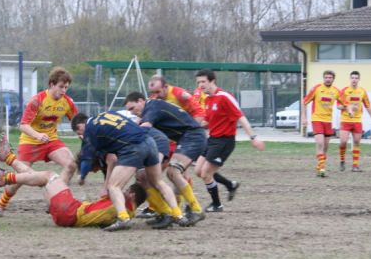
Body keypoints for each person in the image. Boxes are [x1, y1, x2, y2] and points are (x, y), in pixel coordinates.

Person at [0, 134, 146, 228]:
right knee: (42, 179)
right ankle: (8, 158)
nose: (121, 192)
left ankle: (6, 177)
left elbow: (108, 189)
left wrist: (111, 164)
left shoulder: (122, 206)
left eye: (125, 191)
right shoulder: (128, 213)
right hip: (67, 216)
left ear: (131, 194)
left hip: (71, 211)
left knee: (49, 175)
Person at [72, 111, 190, 231]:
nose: (81, 136)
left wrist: (82, 176)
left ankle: (123, 219)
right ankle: (178, 214)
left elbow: (86, 159)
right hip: (149, 142)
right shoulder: (108, 114)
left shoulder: (90, 129)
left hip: (133, 147)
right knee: (158, 182)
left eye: (79, 133)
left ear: (80, 125)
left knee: (113, 186)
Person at [0, 67, 78, 217]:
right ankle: (1, 203)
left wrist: (85, 135)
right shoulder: (37, 100)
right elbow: (23, 125)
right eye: (61, 87)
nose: (64, 90)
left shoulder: (67, 102)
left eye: (66, 87)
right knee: (20, 179)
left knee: (71, 164)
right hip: (30, 141)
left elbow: (77, 122)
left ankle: (54, 198)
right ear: (51, 84)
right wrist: (38, 135)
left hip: (51, 141)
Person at [124, 92, 207, 225]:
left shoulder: (152, 106)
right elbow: (137, 124)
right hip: (186, 138)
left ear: (141, 101)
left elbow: (144, 128)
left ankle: (195, 210)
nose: (132, 113)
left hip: (193, 137)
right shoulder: (152, 107)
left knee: (173, 172)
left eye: (132, 108)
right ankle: (169, 212)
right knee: (168, 175)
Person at [194, 68, 264, 212]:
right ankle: (230, 185)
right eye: (198, 82)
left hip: (224, 141)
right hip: (212, 140)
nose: (200, 85)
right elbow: (206, 122)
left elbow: (241, 117)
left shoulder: (224, 97)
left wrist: (253, 137)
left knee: (206, 173)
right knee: (198, 171)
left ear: (212, 81)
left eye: (203, 82)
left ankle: (217, 205)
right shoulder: (208, 99)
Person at [301, 70, 344, 177]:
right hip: (317, 119)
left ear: (333, 79)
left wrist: (348, 108)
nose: (328, 79)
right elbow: (304, 101)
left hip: (328, 121)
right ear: (323, 78)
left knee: (325, 146)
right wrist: (304, 117)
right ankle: (322, 169)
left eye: (330, 77)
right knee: (320, 143)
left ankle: (319, 166)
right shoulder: (316, 88)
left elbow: (344, 103)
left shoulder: (336, 91)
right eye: (326, 77)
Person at [338, 71, 371, 172]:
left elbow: (367, 105)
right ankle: (342, 161)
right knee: (343, 142)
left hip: (357, 121)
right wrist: (348, 107)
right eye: (352, 78)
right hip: (345, 120)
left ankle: (355, 165)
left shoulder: (362, 91)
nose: (354, 80)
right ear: (350, 79)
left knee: (356, 142)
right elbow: (338, 106)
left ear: (359, 79)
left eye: (356, 78)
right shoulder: (344, 91)